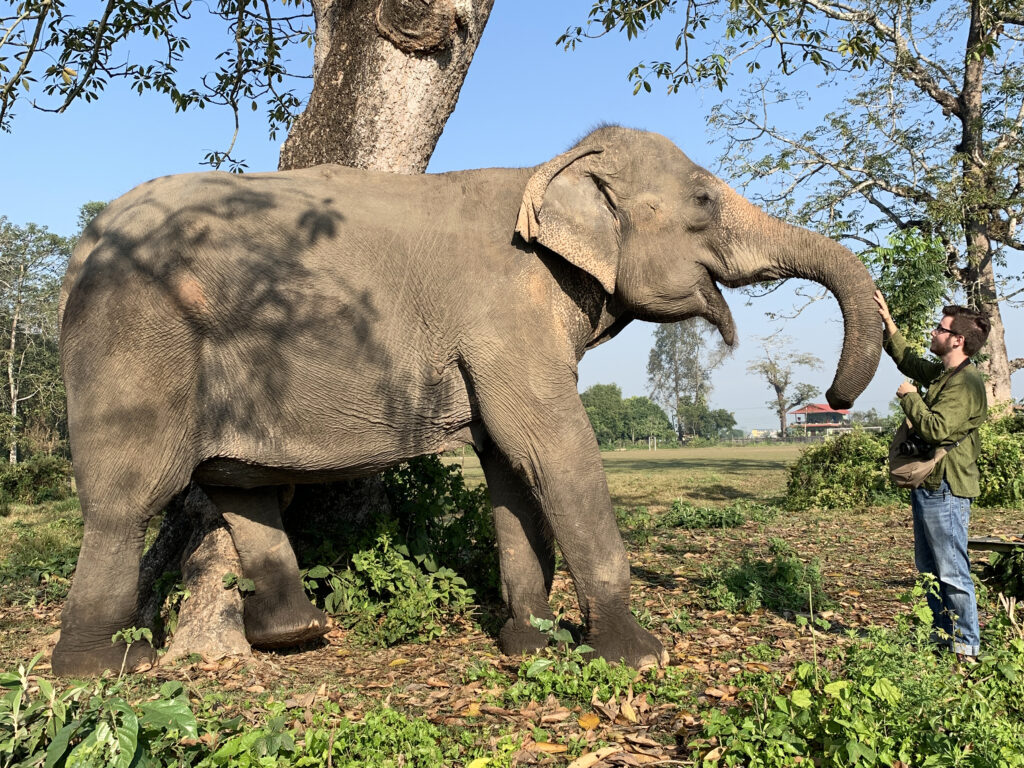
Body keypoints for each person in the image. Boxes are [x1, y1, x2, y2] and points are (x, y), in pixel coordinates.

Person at [874, 290, 990, 660]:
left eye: (940, 329)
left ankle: (966, 648)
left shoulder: (966, 383)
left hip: (948, 489)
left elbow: (937, 429)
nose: (933, 333)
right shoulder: (945, 375)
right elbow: (911, 362)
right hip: (930, 486)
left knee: (952, 571)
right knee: (929, 569)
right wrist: (888, 322)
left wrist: (909, 397)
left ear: (957, 339)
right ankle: (943, 640)